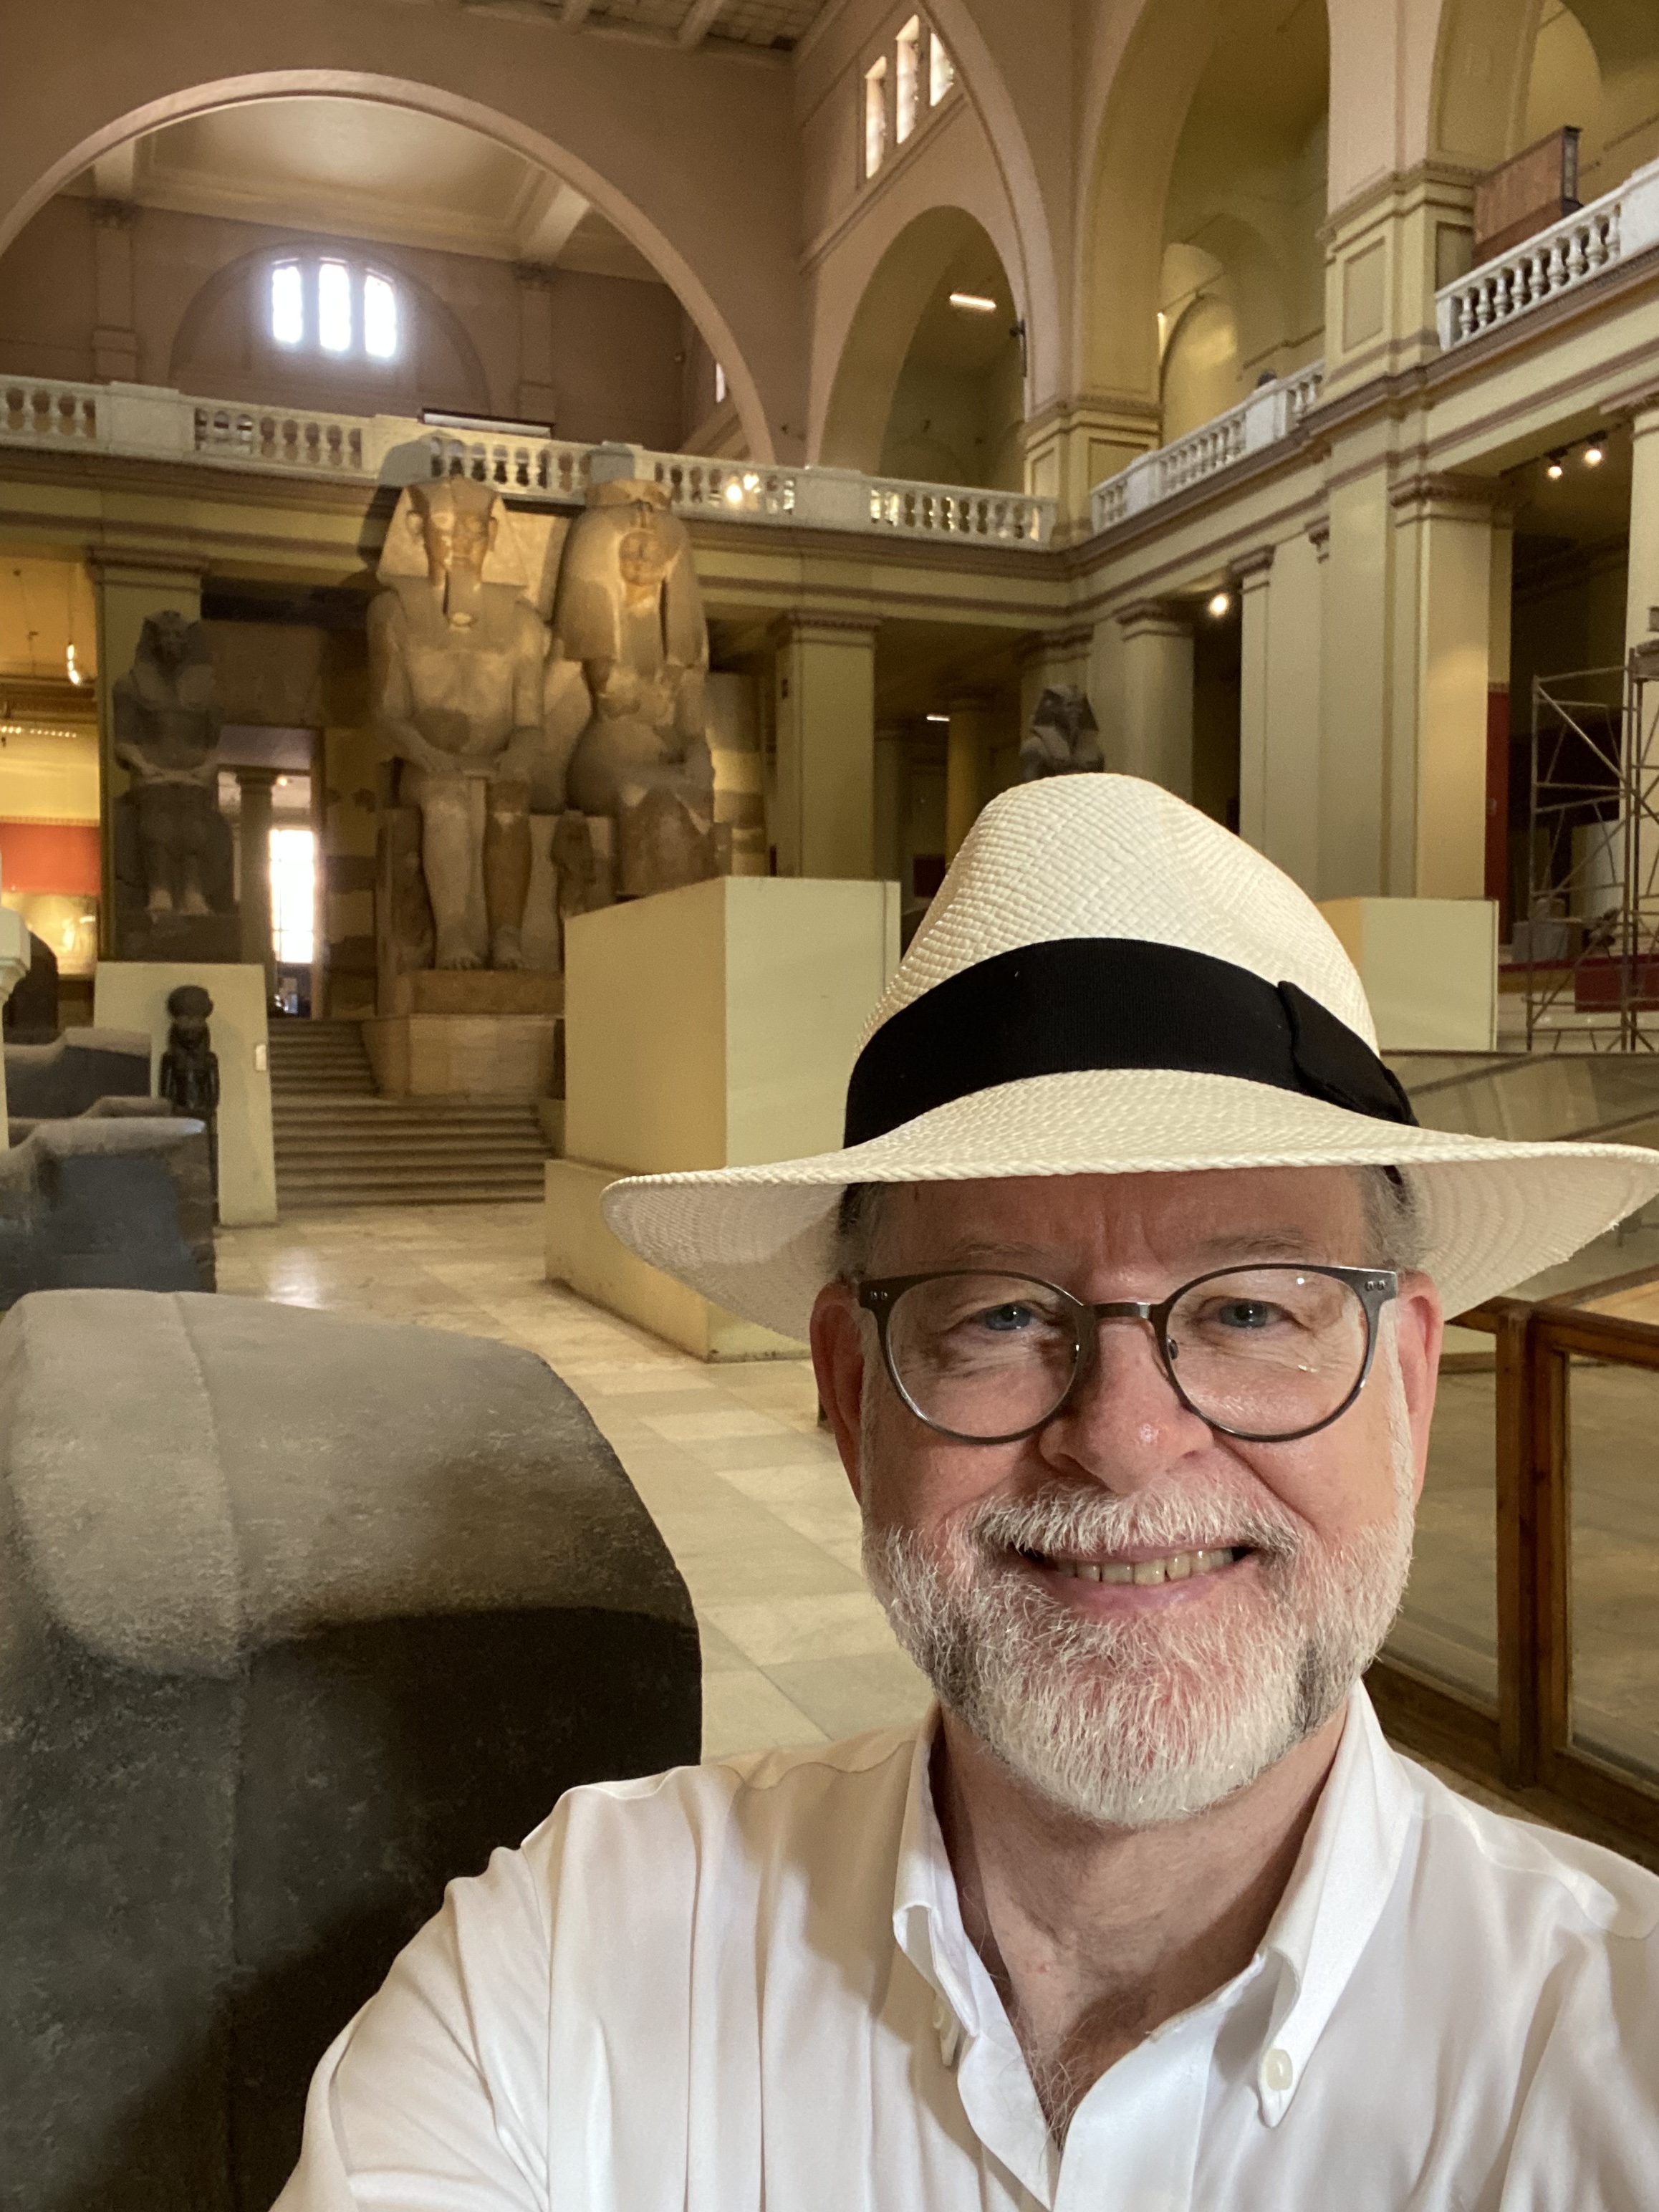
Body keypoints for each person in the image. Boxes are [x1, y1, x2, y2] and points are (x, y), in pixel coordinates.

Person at [276, 776, 1659, 2211]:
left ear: (1410, 1386)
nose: (1124, 1438)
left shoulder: (1622, 2057)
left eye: (1250, 1309)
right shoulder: (564, 1967)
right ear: (854, 1393)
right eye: (1001, 1312)